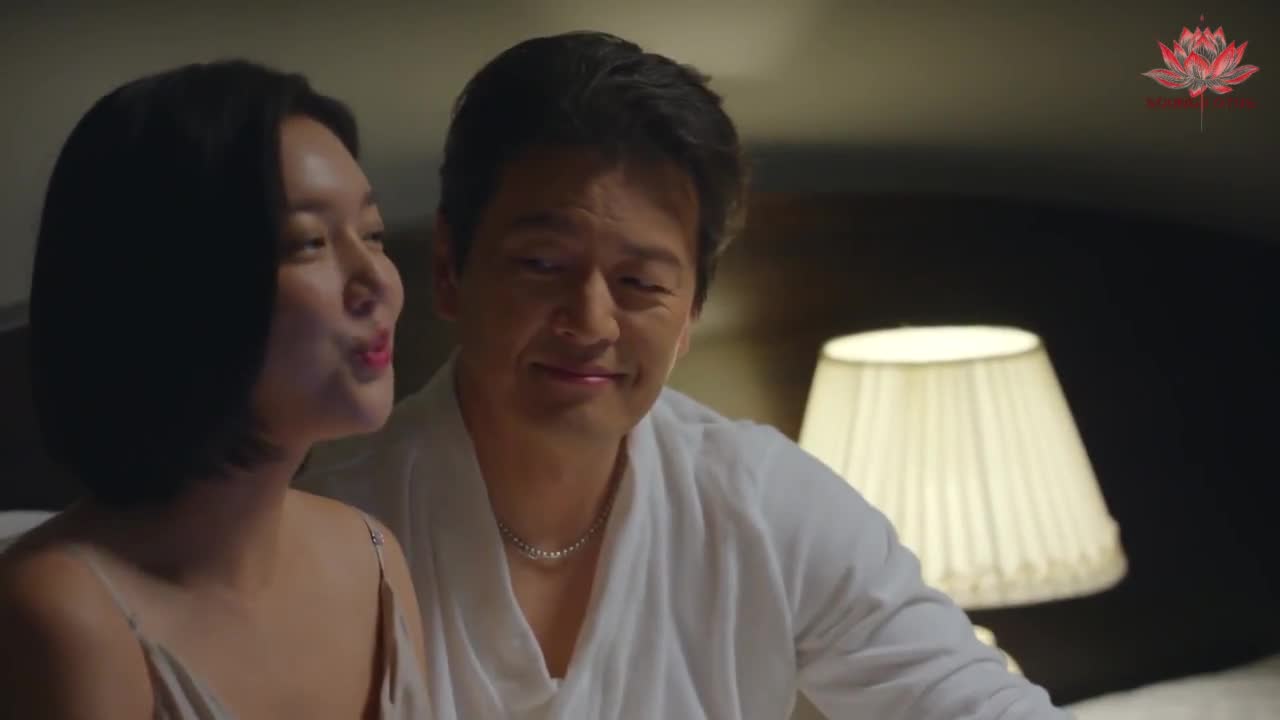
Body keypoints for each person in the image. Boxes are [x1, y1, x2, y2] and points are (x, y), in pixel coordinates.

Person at [299, 31, 1070, 719]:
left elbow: (973, 700)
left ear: (692, 310)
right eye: (541, 264)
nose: (591, 323)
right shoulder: (328, 518)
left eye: (640, 283)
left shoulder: (763, 506)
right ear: (449, 268)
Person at [0, 60, 432, 719]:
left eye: (372, 235)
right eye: (309, 242)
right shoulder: (65, 617)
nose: (378, 280)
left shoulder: (373, 554)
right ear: (176, 288)